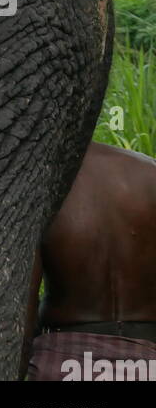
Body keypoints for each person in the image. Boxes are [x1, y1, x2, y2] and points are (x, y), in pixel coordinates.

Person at [26, 141, 156, 380]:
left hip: (62, 362)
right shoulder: (150, 174)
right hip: (146, 360)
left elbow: (25, 304)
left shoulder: (45, 180)